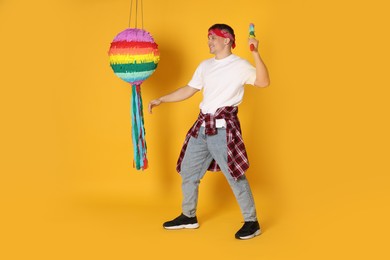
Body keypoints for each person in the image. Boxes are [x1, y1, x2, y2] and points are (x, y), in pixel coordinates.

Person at [148, 23, 270, 240]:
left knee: (234, 175)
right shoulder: (205, 66)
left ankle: (252, 222)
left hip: (224, 131)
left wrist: (256, 53)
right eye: (208, 38)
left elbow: (263, 82)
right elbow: (189, 90)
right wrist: (161, 99)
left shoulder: (240, 65)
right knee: (188, 171)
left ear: (227, 40)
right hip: (202, 128)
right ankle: (188, 216)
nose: (209, 42)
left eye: (213, 38)